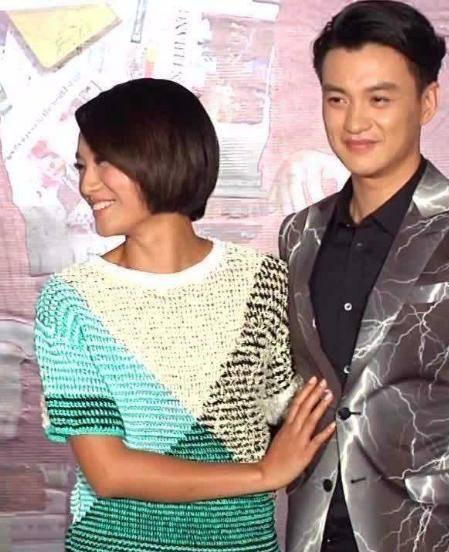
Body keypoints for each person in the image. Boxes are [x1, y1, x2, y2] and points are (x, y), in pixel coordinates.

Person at [279, 1, 449, 551]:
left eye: (379, 99)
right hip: (316, 533)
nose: (354, 122)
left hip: (442, 534)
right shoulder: (299, 234)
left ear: (427, 101)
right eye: (337, 99)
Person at [34, 78, 335, 552]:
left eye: (103, 162)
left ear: (161, 155)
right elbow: (109, 472)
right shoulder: (70, 301)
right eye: (82, 166)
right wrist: (262, 473)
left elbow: (290, 420)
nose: (87, 185)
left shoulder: (265, 282)